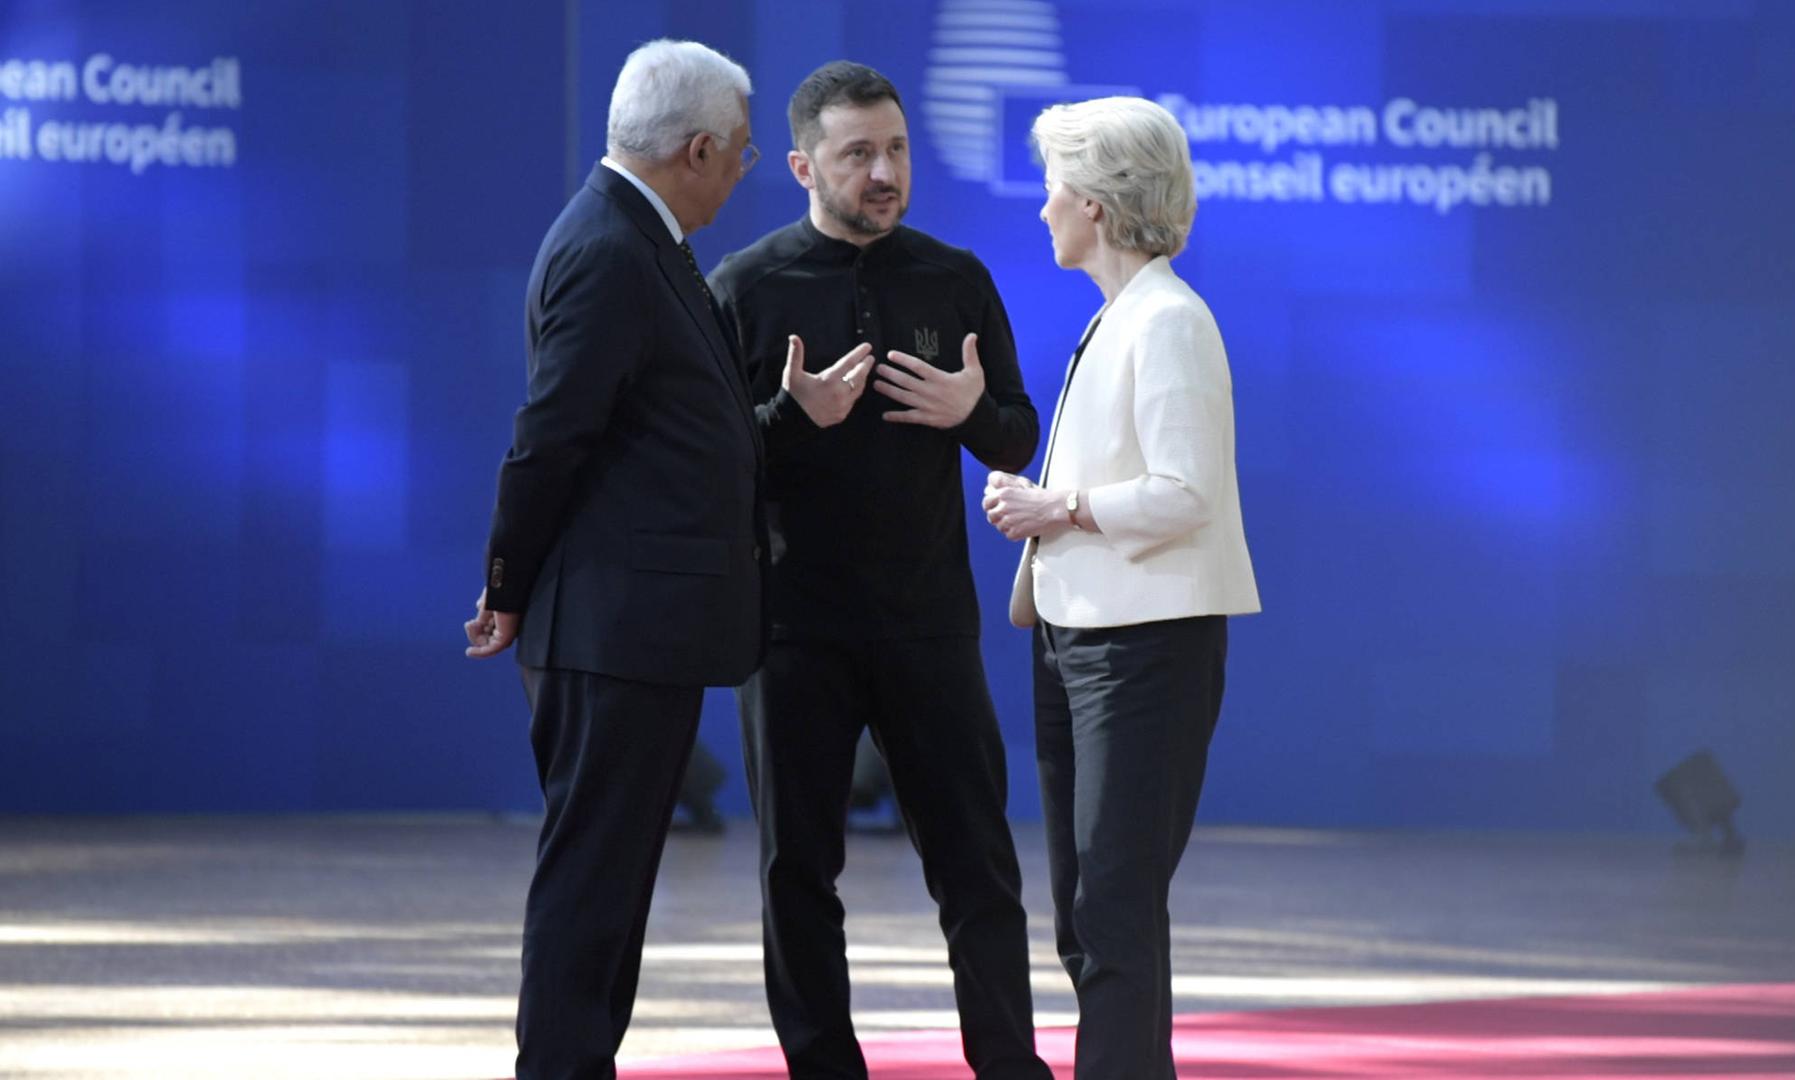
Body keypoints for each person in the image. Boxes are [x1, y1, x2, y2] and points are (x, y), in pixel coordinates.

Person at [463, 40, 852, 1080]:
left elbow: (673, 438)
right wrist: (506, 586)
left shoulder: (642, 238)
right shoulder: (611, 248)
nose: (745, 170)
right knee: (592, 883)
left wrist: (786, 416)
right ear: (697, 150)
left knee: (612, 887)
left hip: (637, 631)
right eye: (743, 151)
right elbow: (550, 440)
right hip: (609, 632)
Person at [708, 61, 1051, 1080]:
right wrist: (789, 417)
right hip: (792, 628)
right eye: (858, 153)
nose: (884, 172)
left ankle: (1010, 1067)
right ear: (805, 166)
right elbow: (704, 461)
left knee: (978, 865)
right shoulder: (745, 288)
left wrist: (972, 416)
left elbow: (1018, 432)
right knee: (796, 872)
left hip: (928, 620)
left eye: (896, 149)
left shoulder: (955, 278)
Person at [981, 96, 1261, 1079]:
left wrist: (1057, 506)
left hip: (1143, 645)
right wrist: (1055, 507)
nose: (1043, 206)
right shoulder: (1123, 316)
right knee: (1092, 910)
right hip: (1080, 637)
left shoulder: (1170, 321)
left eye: (1053, 186)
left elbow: (1186, 493)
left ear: (1095, 203)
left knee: (1111, 908)